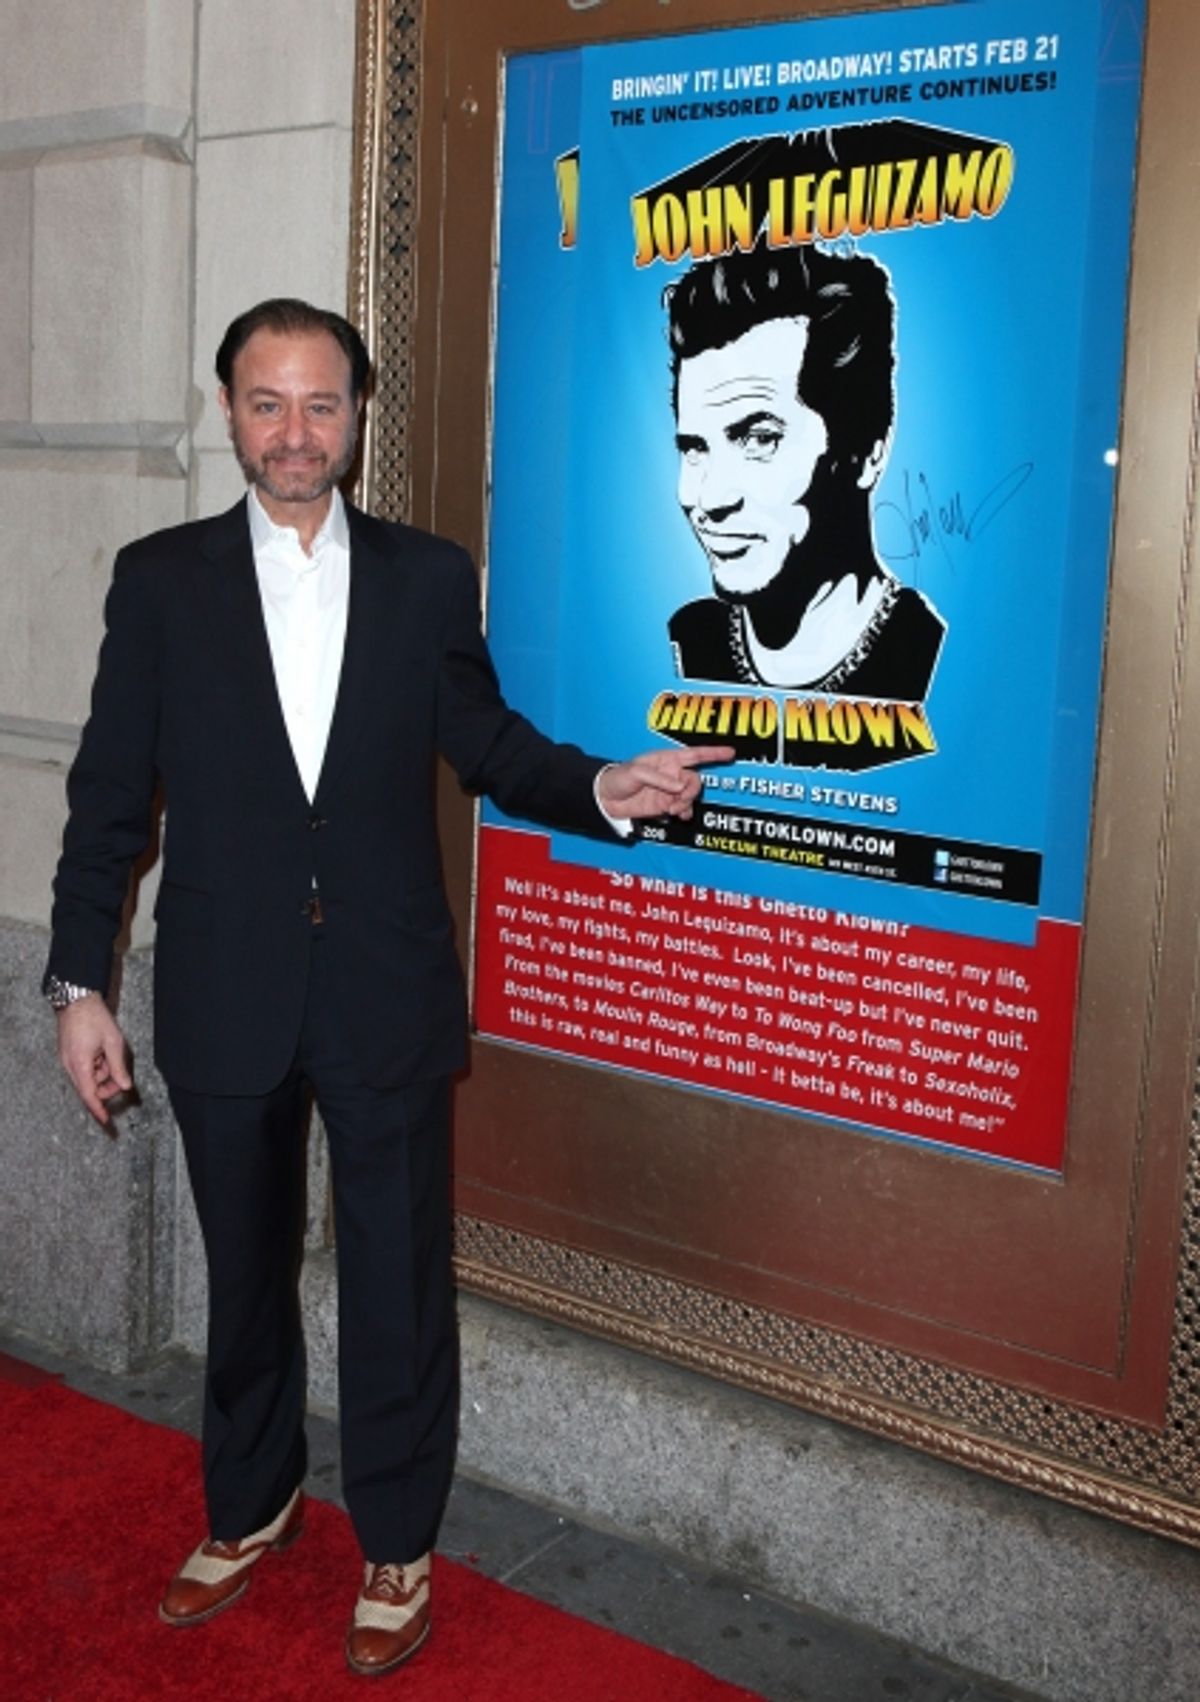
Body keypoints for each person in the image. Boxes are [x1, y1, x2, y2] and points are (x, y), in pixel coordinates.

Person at [44, 298, 729, 1677]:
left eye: (321, 404)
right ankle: (251, 1502)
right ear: (227, 410)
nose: (295, 432)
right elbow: (112, 797)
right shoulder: (160, 579)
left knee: (400, 1280)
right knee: (242, 1277)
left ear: (357, 416)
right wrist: (78, 982)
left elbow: (483, 741)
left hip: (383, 987)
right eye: (266, 403)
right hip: (228, 990)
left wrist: (600, 783)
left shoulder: (425, 576)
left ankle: (398, 1536)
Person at [665, 240, 945, 699]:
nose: (709, 498)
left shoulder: (925, 657)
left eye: (759, 440)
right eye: (695, 447)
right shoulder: (686, 641)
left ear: (867, 452)